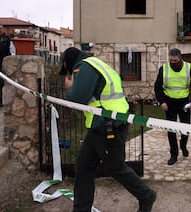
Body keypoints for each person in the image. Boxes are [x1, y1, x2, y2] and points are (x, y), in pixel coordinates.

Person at [60, 47, 156, 212]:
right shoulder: (96, 63)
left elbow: (77, 98)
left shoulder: (84, 67)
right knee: (84, 166)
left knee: (115, 167)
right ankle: (81, 209)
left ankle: (146, 195)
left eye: (66, 69)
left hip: (107, 125)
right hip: (102, 124)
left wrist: (70, 87)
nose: (68, 73)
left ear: (68, 63)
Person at [154, 48, 191, 165]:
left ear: (180, 58)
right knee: (171, 130)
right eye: (171, 60)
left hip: (184, 103)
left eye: (175, 60)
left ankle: (183, 145)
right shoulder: (164, 68)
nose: (173, 63)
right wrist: (162, 102)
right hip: (169, 103)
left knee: (186, 128)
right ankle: (174, 154)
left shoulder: (188, 67)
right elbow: (157, 87)